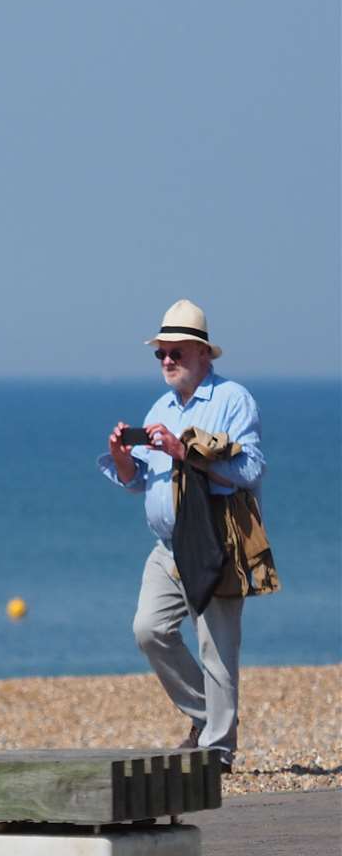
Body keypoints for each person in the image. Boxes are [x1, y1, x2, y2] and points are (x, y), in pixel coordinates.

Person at [99, 300, 270, 771]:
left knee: (217, 647)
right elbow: (140, 483)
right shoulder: (160, 407)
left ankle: (217, 750)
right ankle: (205, 716)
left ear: (203, 355)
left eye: (176, 352)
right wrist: (121, 458)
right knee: (149, 630)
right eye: (161, 354)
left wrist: (185, 452)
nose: (168, 361)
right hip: (168, 547)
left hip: (216, 540)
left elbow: (251, 467)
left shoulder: (233, 400)